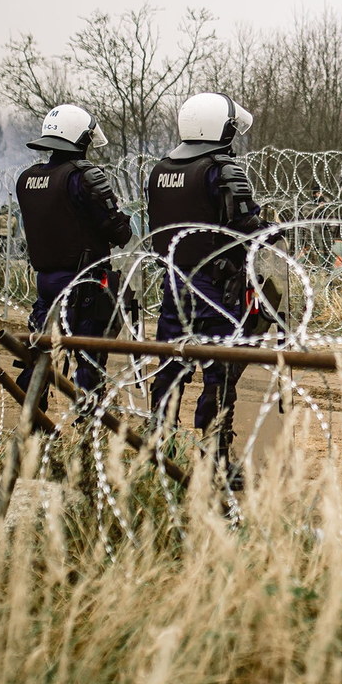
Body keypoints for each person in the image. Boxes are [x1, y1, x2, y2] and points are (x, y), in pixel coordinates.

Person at [145, 92, 267, 484]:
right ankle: (215, 457)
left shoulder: (161, 170)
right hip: (216, 287)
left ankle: (156, 447)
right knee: (220, 372)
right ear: (222, 128)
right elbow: (245, 228)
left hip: (173, 280)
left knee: (170, 366)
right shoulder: (222, 169)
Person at [15, 104, 132, 407]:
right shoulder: (83, 176)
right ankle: (88, 421)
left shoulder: (27, 179)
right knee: (88, 355)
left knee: (42, 349)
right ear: (78, 139)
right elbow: (119, 231)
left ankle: (33, 418)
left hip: (46, 280)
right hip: (85, 281)